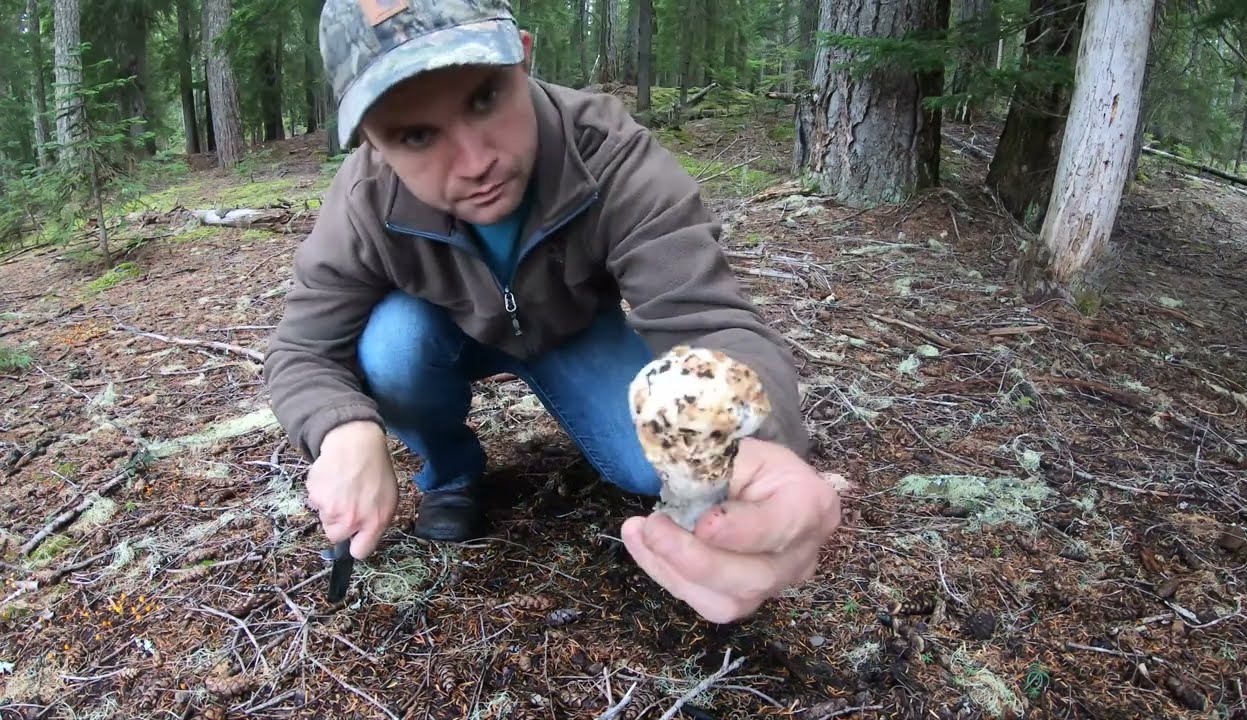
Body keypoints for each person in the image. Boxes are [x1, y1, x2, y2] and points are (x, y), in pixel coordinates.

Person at [263, 0, 842, 624]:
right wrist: (343, 431)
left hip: (573, 331)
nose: (476, 162)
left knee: (664, 463)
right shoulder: (366, 199)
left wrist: (755, 448)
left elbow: (710, 318)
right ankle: (451, 474)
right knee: (390, 346)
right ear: (372, 143)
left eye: (485, 99)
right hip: (442, 331)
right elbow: (302, 349)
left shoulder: (606, 150)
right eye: (417, 136)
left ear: (523, 56)